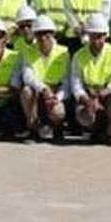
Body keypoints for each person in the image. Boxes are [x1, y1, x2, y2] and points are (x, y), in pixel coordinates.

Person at [69, 14, 111, 143]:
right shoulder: (78, 55)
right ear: (88, 36)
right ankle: (95, 131)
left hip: (107, 94)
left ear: (106, 36)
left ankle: (110, 133)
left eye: (100, 36)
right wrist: (87, 100)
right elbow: (76, 83)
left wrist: (101, 95)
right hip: (88, 96)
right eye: (93, 36)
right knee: (84, 116)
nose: (96, 41)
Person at [20, 14, 71, 143]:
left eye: (46, 33)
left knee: (58, 111)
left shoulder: (63, 52)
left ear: (52, 34)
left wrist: (57, 97)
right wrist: (43, 88)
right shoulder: (28, 51)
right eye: (39, 34)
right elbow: (27, 76)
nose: (43, 37)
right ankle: (34, 130)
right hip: (39, 93)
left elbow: (67, 81)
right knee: (26, 91)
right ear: (35, 35)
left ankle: (58, 129)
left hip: (56, 93)